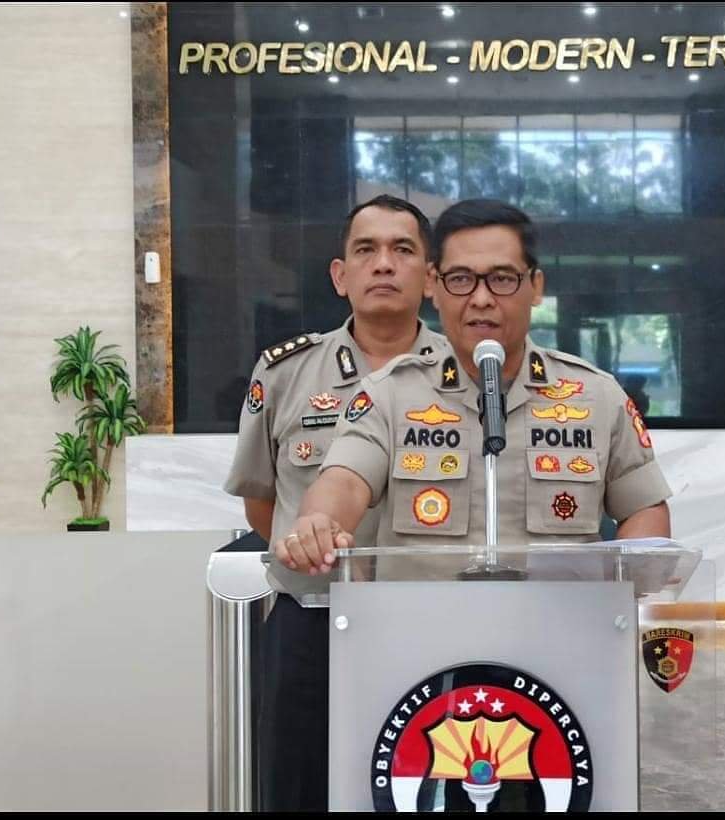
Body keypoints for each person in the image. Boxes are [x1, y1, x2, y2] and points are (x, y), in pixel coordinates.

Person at [274, 198, 671, 578]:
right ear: (434, 285)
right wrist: (319, 522)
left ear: (535, 286)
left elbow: (644, 508)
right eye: (461, 279)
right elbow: (343, 481)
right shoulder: (388, 394)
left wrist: (627, 580)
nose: (481, 299)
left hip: (557, 621)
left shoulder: (595, 396)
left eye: (502, 279)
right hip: (420, 622)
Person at [222, 193, 445, 812]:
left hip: (434, 618)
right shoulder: (286, 374)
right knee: (299, 788)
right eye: (366, 250)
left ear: (430, 278)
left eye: (403, 250)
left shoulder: (467, 379)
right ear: (340, 275)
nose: (384, 263)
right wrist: (314, 551)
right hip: (312, 621)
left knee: (428, 786)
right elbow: (264, 506)